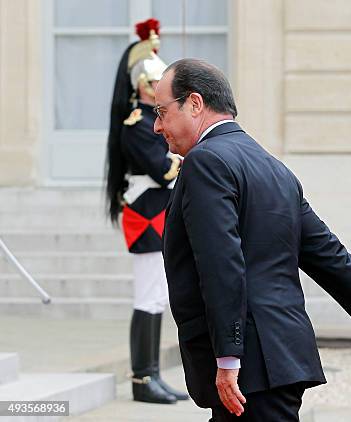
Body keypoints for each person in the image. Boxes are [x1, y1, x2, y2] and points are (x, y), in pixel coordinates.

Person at [154, 58, 351, 421]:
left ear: (194, 104)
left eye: (161, 111)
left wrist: (228, 357)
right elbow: (328, 254)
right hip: (279, 359)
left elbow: (221, 263)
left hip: (247, 369)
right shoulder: (271, 166)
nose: (157, 125)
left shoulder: (205, 162)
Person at [105, 18, 187, 405]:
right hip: (145, 214)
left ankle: (151, 373)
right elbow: (163, 169)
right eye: (152, 83)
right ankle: (142, 378)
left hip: (157, 211)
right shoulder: (137, 124)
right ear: (139, 84)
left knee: (157, 295)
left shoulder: (149, 120)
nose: (157, 90)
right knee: (148, 295)